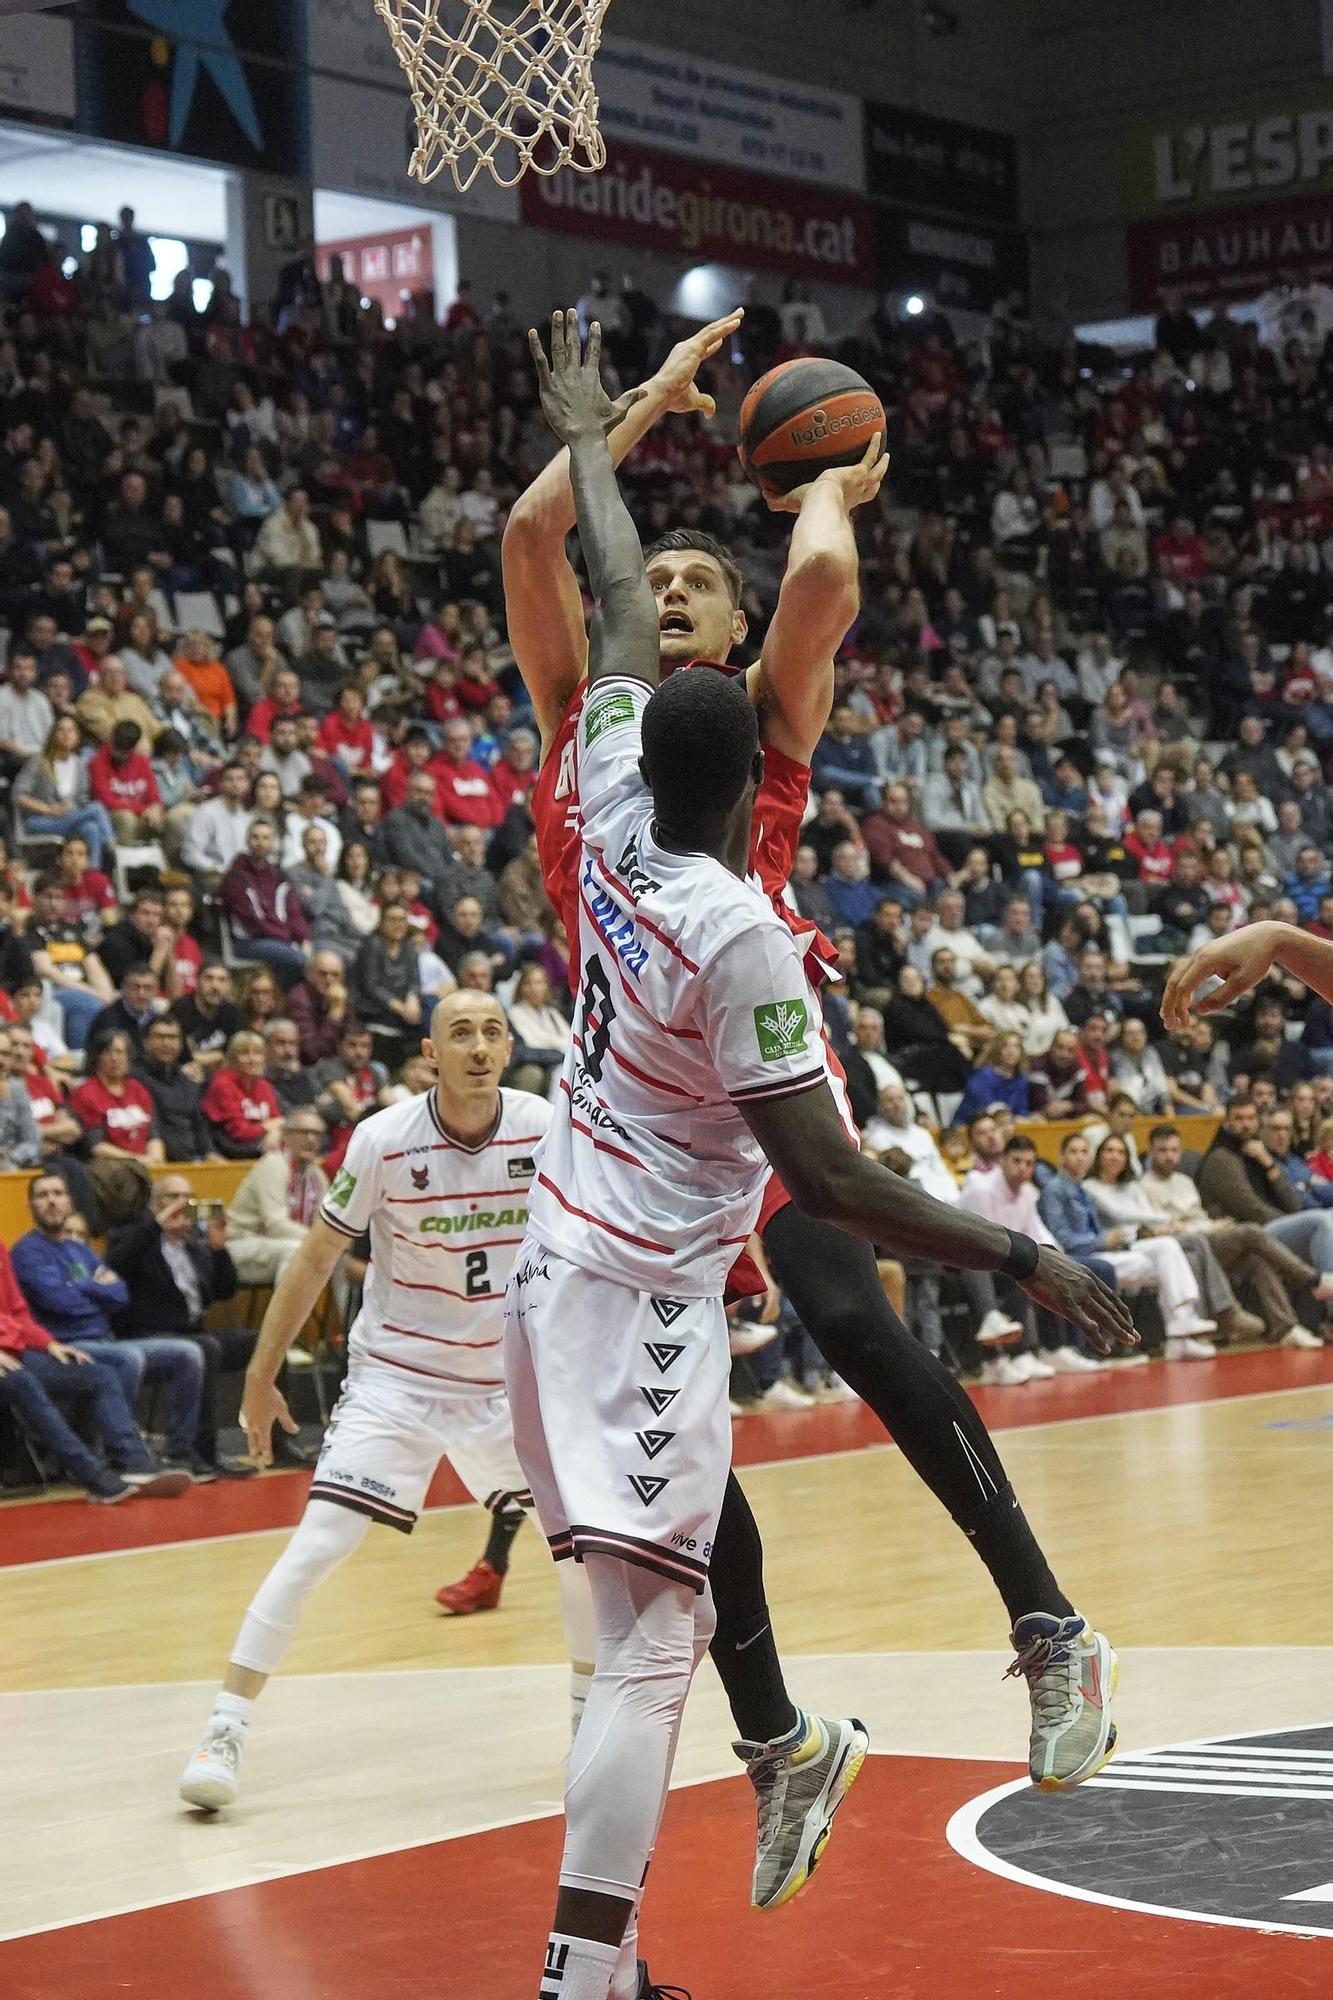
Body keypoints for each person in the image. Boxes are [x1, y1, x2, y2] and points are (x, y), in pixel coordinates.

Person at [498, 314, 1130, 1998]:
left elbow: (817, 598)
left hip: (759, 1064)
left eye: (712, 578)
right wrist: (632, 419)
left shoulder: (753, 732)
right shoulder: (593, 725)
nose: (683, 593)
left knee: (851, 1322)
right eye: (673, 581)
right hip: (642, 1112)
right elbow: (543, 543)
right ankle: (777, 1737)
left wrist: (826, 491)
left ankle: (1047, 1625)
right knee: (685, 1464)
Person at [179, 993, 595, 1813]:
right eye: (458, 1034)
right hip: (397, 1377)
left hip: (503, 1381)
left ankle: (589, 1728)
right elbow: (313, 1258)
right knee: (320, 1541)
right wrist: (261, 1377)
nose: (477, 1047)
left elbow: (587, 1247)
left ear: (509, 1047)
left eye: (490, 1032)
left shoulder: (545, 1127)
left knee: (579, 1553)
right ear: (429, 1055)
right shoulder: (382, 1139)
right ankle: (225, 1727)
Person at [12, 1172, 205, 1467]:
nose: (52, 1201)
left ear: (69, 1202)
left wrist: (80, 1288)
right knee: (127, 1358)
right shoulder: (27, 1251)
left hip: (106, 1339)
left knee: (188, 1354)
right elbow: (60, 1303)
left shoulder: (79, 1248)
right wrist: (94, 1287)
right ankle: (119, 1454)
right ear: (30, 1206)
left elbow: (119, 1295)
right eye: (43, 1195)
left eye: (58, 1194)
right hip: (65, 1345)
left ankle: (179, 1450)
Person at [0, 1235, 188, 1502]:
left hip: (17, 1352)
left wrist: (49, 1343)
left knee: (99, 1375)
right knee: (22, 1382)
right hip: (8, 1365)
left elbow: (18, 1312)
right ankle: (93, 1475)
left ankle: (134, 1464)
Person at [106, 1178, 256, 1479]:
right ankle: (197, 1451)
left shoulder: (194, 1246)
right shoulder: (133, 1238)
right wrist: (156, 1227)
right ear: (154, 1205)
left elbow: (224, 1292)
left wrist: (217, 1248)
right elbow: (115, 1264)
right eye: (171, 1197)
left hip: (192, 1334)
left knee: (261, 1342)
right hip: (147, 1335)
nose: (180, 1204)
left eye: (187, 1197)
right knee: (206, 1349)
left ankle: (276, 1439)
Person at [1140, 1124, 1326, 1349]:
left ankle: (1286, 1328)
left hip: (1209, 1238)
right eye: (1163, 1151)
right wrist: (1205, 1226)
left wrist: (1214, 1223)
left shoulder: (1185, 1182)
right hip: (1184, 1247)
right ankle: (1312, 1279)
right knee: (1251, 1232)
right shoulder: (1144, 1186)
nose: (1170, 1156)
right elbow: (1161, 1229)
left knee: (1256, 1258)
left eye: (1174, 1150)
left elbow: (1199, 1216)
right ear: (1151, 1152)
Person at [1038, 1131, 1217, 1357]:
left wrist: (1119, 1236)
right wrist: (1104, 1239)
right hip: (1086, 1255)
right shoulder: (1056, 1189)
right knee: (1166, 1266)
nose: (1080, 1157)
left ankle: (1181, 1327)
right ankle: (1178, 1333)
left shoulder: (1080, 1188)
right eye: (1073, 1152)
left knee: (1167, 1248)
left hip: (1107, 1248)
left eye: (1084, 1152)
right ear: (1062, 1156)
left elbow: (1099, 1230)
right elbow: (1062, 1237)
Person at [225, 1106, 328, 1288]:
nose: (310, 1139)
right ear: (286, 1136)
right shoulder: (274, 1165)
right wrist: (320, 1241)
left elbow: (324, 1222)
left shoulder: (318, 1177)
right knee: (297, 1250)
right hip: (243, 1242)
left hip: (281, 1246)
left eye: (316, 1134)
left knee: (344, 1260)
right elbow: (275, 1225)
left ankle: (348, 1316)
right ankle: (285, 1316)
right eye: (303, 1132)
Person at [200, 1030, 284, 1160]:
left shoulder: (265, 1086)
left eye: (257, 1053)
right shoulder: (222, 1085)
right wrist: (269, 1127)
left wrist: (275, 1131)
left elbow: (277, 1120)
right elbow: (239, 1133)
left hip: (262, 1147)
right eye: (244, 1053)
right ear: (232, 1059)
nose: (252, 1059)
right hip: (233, 1151)